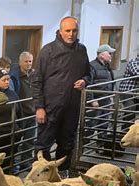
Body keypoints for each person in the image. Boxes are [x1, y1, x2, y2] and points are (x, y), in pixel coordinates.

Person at [31, 16, 90, 177]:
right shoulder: (48, 51)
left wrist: (84, 81)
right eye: (68, 30)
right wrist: (40, 107)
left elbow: (88, 73)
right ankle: (41, 178)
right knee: (43, 146)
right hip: (50, 108)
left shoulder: (82, 50)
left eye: (74, 30)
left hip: (72, 107)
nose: (71, 34)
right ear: (60, 31)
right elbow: (36, 80)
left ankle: (62, 176)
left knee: (67, 144)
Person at [85, 44, 116, 147]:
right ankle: (82, 146)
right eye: (109, 53)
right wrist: (91, 100)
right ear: (102, 55)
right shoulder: (92, 66)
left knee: (104, 124)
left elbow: (111, 81)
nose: (111, 55)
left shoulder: (107, 66)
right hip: (97, 100)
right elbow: (88, 84)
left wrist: (111, 96)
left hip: (105, 99)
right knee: (91, 124)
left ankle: (100, 146)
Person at [10, 51, 36, 170]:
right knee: (15, 141)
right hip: (20, 113)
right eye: (26, 61)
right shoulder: (14, 77)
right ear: (20, 62)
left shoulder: (34, 75)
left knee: (29, 140)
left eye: (30, 61)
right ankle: (13, 164)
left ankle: (25, 163)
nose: (28, 64)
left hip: (32, 112)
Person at [119, 54, 139, 130]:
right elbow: (137, 73)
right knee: (130, 110)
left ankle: (132, 132)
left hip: (135, 93)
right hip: (127, 91)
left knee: (131, 111)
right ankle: (124, 132)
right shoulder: (133, 62)